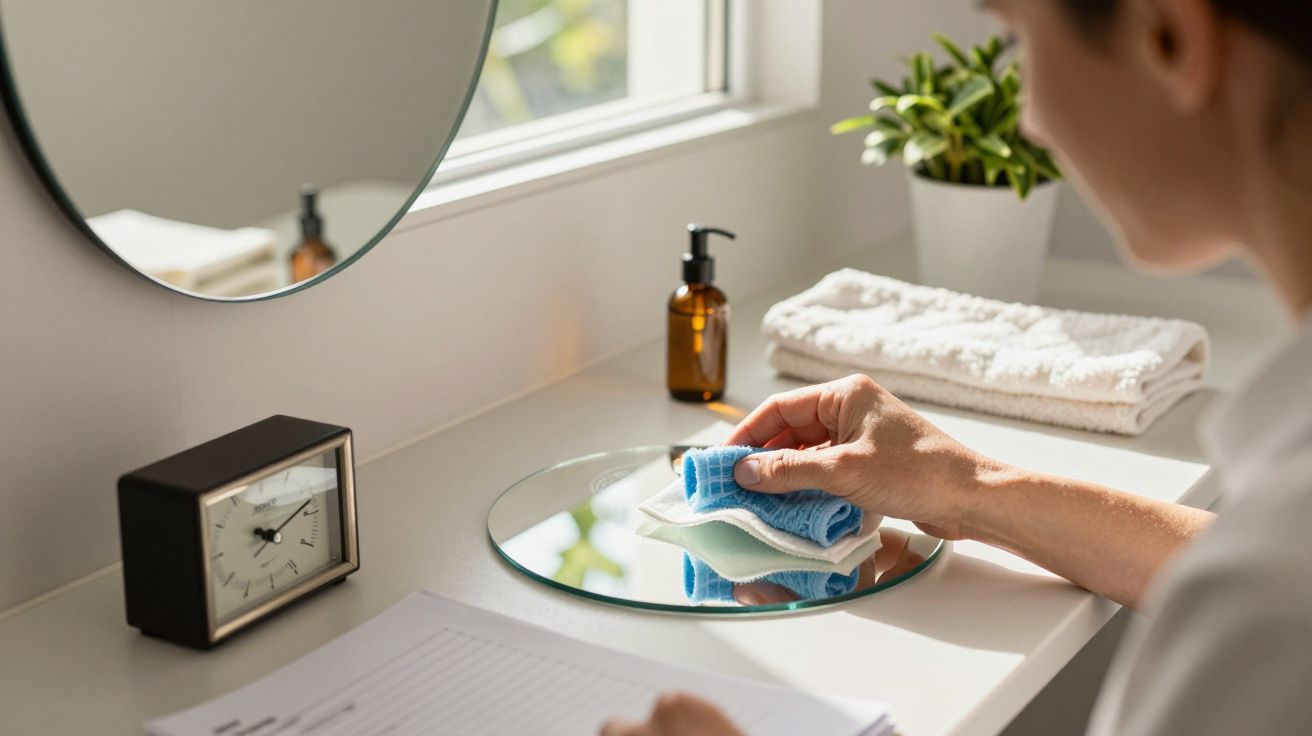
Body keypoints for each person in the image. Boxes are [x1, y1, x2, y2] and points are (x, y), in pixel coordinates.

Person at [602, 0, 1312, 733]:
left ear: (1168, 36)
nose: (1030, 119)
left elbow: (1264, 584)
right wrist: (967, 487)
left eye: (1018, 36)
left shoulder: (1268, 604)